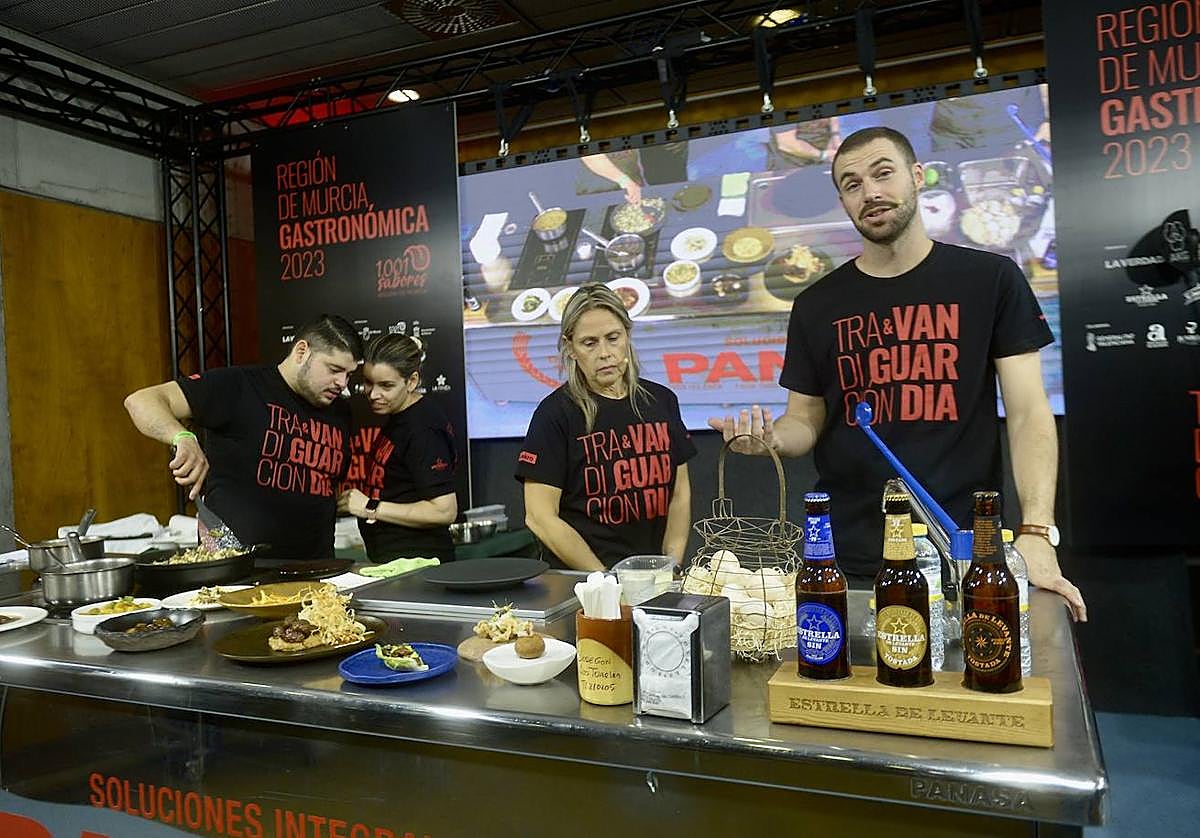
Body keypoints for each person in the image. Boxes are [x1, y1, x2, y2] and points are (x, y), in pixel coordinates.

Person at [708, 126, 1086, 622]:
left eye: (882, 174)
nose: (870, 192)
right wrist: (772, 441)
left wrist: (1036, 532)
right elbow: (805, 421)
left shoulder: (991, 279)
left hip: (964, 548)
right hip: (849, 557)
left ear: (917, 176)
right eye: (852, 183)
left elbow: (1029, 412)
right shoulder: (816, 305)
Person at [124, 314, 362, 560]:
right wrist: (182, 436)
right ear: (302, 352)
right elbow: (142, 401)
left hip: (317, 573)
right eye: (334, 370)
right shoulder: (239, 386)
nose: (342, 383)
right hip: (238, 573)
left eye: (349, 374)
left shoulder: (340, 411)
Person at [517, 283, 695, 571]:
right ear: (570, 347)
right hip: (582, 586)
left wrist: (671, 566)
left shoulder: (661, 401)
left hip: (651, 580)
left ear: (627, 335)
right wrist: (606, 581)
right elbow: (539, 517)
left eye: (613, 338)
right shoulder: (554, 414)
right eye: (589, 343)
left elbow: (679, 492)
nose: (605, 353)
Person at [338, 335, 458, 563]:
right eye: (368, 382)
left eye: (386, 386)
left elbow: (444, 511)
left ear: (411, 382)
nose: (373, 394)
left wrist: (370, 507)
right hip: (397, 562)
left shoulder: (423, 427)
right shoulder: (399, 416)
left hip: (420, 566)